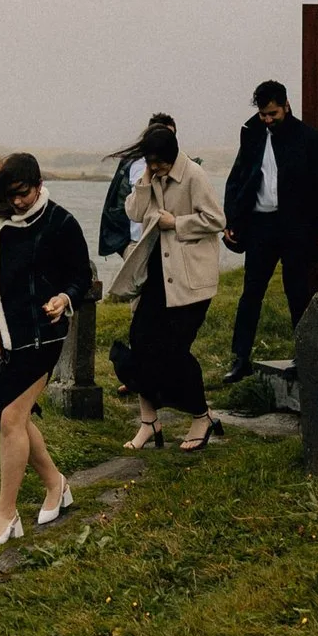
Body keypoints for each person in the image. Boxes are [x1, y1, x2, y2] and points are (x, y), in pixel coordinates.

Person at [0, 153, 93, 549]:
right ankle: (56, 484)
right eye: (11, 196)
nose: (18, 202)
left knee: (11, 416)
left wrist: (65, 297)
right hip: (8, 334)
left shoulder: (62, 222)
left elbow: (80, 274)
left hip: (44, 336)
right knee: (11, 419)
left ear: (39, 183)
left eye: (24, 194)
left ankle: (6, 515)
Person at [109, 125, 229, 451]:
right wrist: (146, 180)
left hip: (191, 282)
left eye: (160, 163)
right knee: (140, 343)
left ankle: (201, 416)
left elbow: (216, 219)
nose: (157, 168)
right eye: (151, 162)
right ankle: (149, 422)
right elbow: (133, 211)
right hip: (158, 278)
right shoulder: (153, 176)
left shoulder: (194, 175)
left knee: (175, 353)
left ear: (173, 155)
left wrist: (176, 223)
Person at [221, 80, 318, 381]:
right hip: (260, 225)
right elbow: (238, 179)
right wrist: (231, 220)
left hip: (296, 226)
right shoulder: (251, 134)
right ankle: (240, 359)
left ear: (287, 105)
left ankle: (304, 357)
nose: (268, 120)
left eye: (273, 113)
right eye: (263, 114)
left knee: (297, 292)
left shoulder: (311, 139)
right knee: (251, 293)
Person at [97, 111, 176, 257]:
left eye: (171, 137)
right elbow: (126, 207)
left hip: (168, 244)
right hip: (138, 243)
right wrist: (124, 247)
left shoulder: (181, 168)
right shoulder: (136, 165)